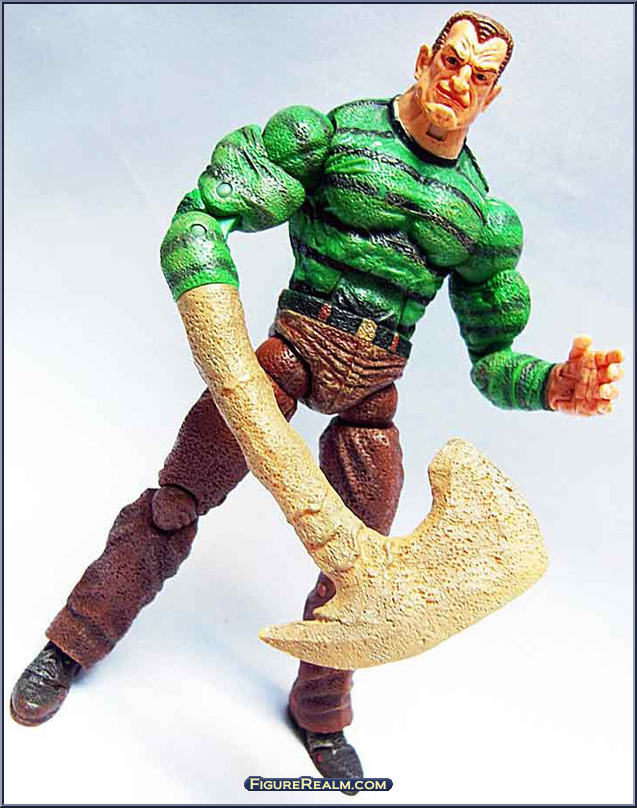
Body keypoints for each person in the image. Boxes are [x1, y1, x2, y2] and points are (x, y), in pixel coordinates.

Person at [10, 10, 623, 784]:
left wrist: (552, 385)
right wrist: (217, 329)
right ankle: (71, 643)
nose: (458, 82)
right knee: (175, 501)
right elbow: (205, 215)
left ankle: (319, 711)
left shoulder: (481, 218)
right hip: (288, 358)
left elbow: (492, 360)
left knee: (361, 577)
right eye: (451, 61)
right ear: (424, 57)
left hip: (373, 393)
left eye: (478, 76)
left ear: (491, 96)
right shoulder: (331, 137)